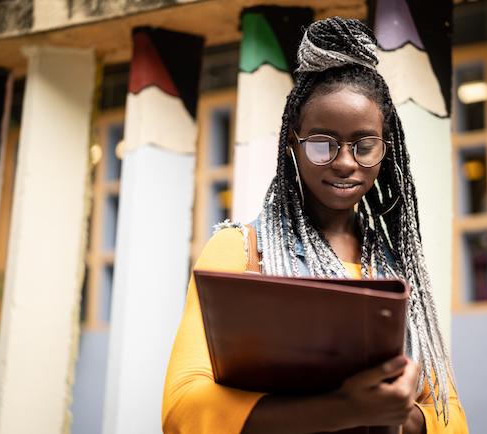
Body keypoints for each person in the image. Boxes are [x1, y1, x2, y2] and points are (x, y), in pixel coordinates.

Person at [162, 17, 469, 434]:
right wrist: (345, 411)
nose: (344, 163)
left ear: (386, 149)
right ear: (293, 142)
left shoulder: (398, 268)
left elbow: (451, 416)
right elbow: (182, 408)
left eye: (364, 145)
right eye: (322, 143)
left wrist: (404, 416)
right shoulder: (241, 250)